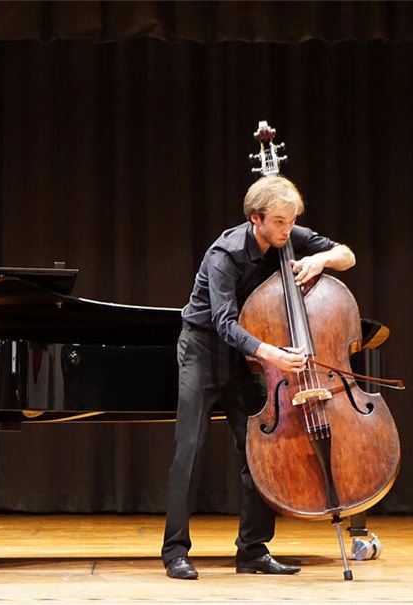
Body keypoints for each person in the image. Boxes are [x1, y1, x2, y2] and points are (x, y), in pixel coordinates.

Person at [161, 176, 356, 580]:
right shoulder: (224, 255)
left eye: (292, 222)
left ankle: (252, 551)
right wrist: (273, 356)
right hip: (205, 348)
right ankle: (175, 551)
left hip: (250, 357)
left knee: (259, 453)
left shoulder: (288, 234)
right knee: (190, 450)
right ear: (257, 220)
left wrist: (320, 260)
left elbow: (347, 255)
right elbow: (225, 323)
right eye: (281, 223)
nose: (289, 230)